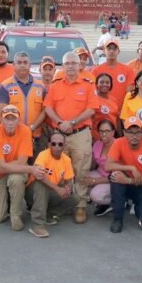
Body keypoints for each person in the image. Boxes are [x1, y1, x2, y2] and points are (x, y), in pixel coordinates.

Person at [42, 51, 97, 223]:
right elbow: (48, 107)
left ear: (79, 65)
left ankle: (80, 205)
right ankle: (63, 204)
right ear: (63, 66)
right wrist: (60, 123)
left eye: (74, 63)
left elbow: (91, 109)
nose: (71, 66)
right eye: (67, 63)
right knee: (59, 170)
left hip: (80, 133)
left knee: (81, 170)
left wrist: (72, 122)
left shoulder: (88, 85)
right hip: (59, 134)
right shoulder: (55, 85)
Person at [0, 105, 35, 231]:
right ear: (1, 120)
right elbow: (1, 166)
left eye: (13, 119)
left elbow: (22, 162)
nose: (10, 122)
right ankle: (5, 199)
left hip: (7, 171)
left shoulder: (26, 131)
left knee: (16, 179)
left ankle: (15, 215)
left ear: (19, 120)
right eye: (7, 119)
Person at [105, 117, 142, 233]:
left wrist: (128, 181)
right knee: (115, 176)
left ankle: (139, 207)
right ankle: (117, 218)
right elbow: (108, 166)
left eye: (137, 132)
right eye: (130, 132)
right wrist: (131, 168)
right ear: (124, 132)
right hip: (127, 183)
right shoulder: (118, 143)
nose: (134, 136)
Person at [0, 52, 48, 153]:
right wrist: (21, 129)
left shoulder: (40, 86)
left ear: (30, 65)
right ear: (14, 65)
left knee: (36, 162)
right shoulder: (5, 86)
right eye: (19, 62)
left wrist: (32, 127)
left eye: (25, 62)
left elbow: (45, 110)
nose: (22, 65)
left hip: (35, 136)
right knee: (16, 163)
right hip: (13, 136)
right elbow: (2, 112)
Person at [26, 131, 76, 238]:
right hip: (33, 191)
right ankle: (37, 225)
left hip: (51, 191)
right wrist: (57, 189)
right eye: (53, 144)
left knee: (74, 198)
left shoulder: (66, 160)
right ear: (49, 144)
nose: (56, 147)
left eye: (60, 144)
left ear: (64, 146)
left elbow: (68, 179)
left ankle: (47, 213)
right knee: (42, 185)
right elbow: (39, 175)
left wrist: (67, 188)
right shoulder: (43, 155)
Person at [86, 119, 117, 215]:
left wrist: (95, 181)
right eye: (101, 131)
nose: (104, 134)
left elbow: (116, 176)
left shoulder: (118, 146)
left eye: (107, 131)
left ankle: (120, 201)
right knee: (81, 180)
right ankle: (103, 202)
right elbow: (92, 165)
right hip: (100, 173)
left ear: (113, 132)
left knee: (96, 195)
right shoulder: (97, 144)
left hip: (114, 180)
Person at [92, 40, 136, 109]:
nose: (111, 51)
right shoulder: (96, 70)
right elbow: (93, 91)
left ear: (118, 51)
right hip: (102, 110)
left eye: (114, 49)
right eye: (109, 48)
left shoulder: (128, 70)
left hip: (121, 110)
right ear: (104, 51)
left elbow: (129, 92)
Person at [90, 73, 121, 142]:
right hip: (97, 138)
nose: (104, 84)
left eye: (107, 82)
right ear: (96, 84)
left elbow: (117, 119)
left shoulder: (113, 99)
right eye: (101, 82)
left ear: (111, 85)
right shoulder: (93, 99)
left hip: (112, 137)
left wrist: (119, 135)